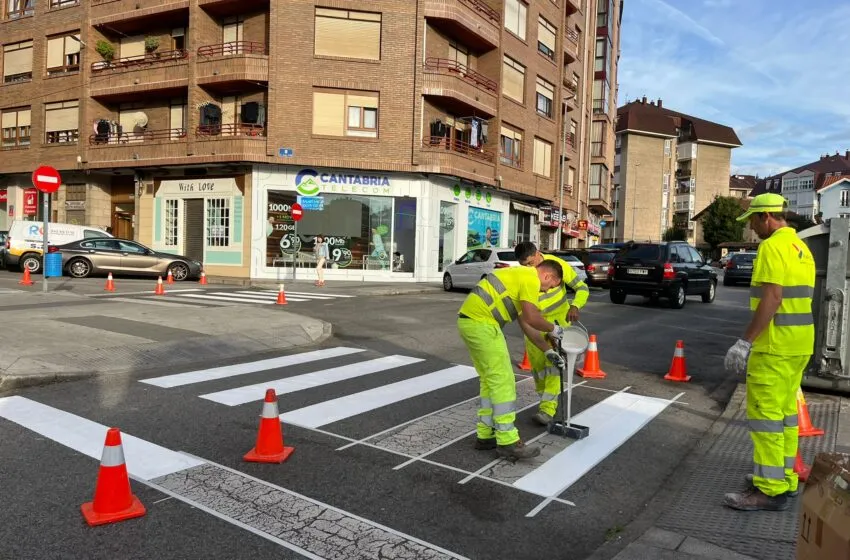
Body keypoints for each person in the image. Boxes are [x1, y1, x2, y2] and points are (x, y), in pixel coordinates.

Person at [723, 193, 816, 512]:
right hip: (798, 344)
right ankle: (784, 478)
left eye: (752, 219)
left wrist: (745, 342)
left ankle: (769, 490)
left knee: (765, 419)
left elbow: (773, 298)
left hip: (774, 347)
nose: (751, 227)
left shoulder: (772, 247)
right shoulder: (800, 247)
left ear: (766, 216)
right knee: (785, 417)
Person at [457, 260, 567, 461]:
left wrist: (547, 351)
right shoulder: (531, 278)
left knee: (490, 380)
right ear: (548, 276)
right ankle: (507, 441)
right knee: (504, 381)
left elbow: (526, 323)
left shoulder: (518, 277)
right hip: (482, 324)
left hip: (470, 322)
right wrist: (555, 329)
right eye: (550, 286)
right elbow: (533, 318)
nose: (545, 291)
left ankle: (486, 434)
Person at [514, 242, 590, 425]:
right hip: (535, 325)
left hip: (558, 324)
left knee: (555, 366)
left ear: (538, 254)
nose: (529, 268)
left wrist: (575, 305)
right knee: (539, 369)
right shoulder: (523, 274)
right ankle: (545, 402)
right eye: (524, 265)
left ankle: (547, 410)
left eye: (531, 263)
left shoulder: (557, 266)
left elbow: (582, 288)